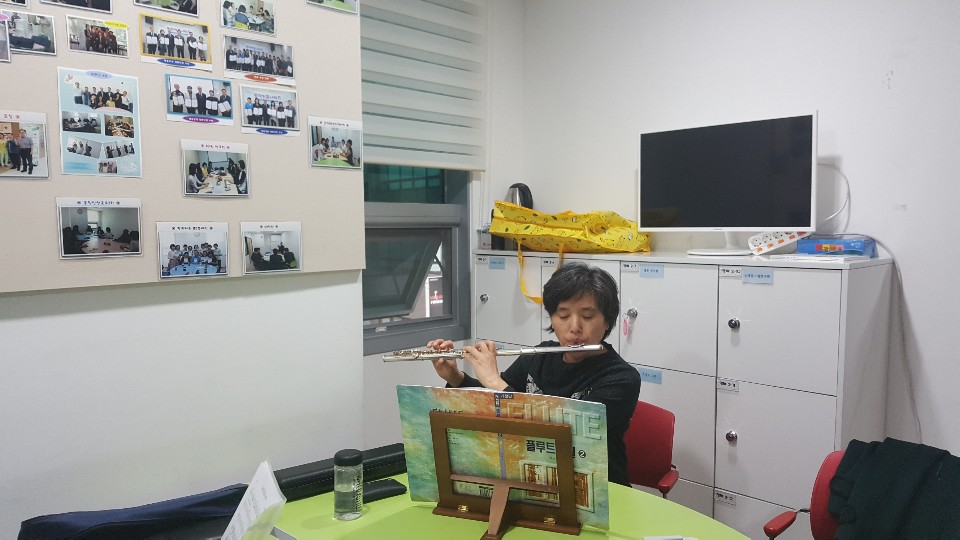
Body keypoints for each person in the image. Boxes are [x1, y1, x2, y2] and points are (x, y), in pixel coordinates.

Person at [427, 263, 642, 487]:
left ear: (607, 321)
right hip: (533, 479)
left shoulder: (621, 378)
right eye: (563, 315)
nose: (574, 327)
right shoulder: (538, 357)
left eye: (587, 316)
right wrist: (455, 377)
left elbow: (563, 435)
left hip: (597, 487)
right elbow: (493, 403)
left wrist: (493, 381)